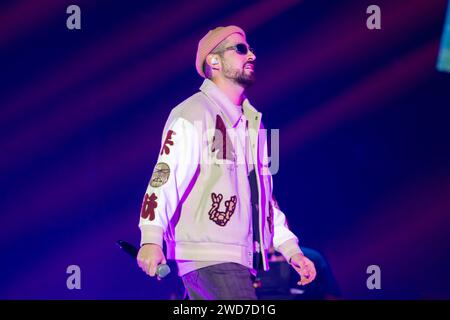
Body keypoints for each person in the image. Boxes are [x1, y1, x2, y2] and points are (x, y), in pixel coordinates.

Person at [136, 25, 316, 300]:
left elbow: (263, 199)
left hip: (240, 260)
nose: (252, 55)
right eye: (241, 49)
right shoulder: (193, 112)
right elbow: (165, 177)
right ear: (214, 60)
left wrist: (290, 248)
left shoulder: (253, 123)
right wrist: (151, 238)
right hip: (211, 258)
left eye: (251, 48)